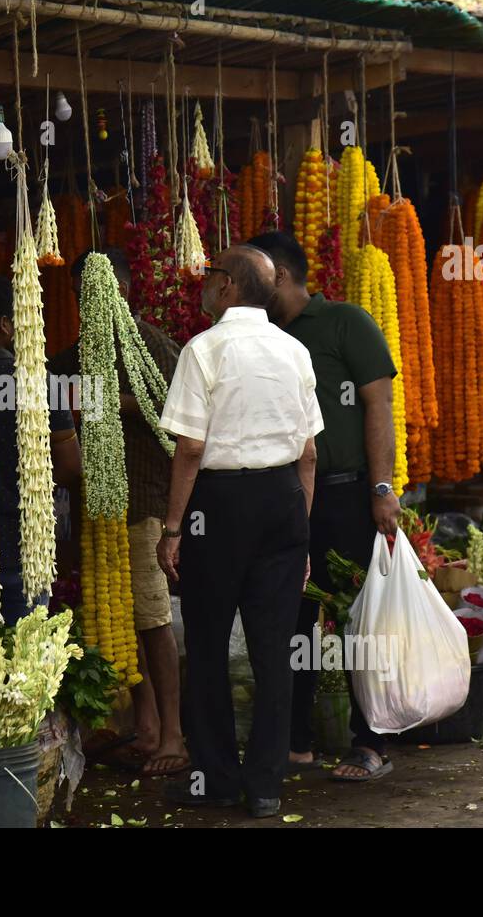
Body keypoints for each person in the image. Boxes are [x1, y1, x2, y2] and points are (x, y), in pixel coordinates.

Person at [156, 245, 322, 818]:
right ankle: (268, 787)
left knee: (205, 646)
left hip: (219, 506)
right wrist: (300, 527)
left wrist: (174, 527)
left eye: (209, 274)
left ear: (227, 285)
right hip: (281, 501)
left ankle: (218, 781)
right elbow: (308, 454)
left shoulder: (204, 350)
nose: (204, 283)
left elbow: (191, 448)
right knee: (274, 650)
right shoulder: (294, 350)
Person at [246, 231, 400, 784]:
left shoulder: (345, 323)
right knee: (291, 619)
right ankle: (296, 743)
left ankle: (371, 741)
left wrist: (382, 488)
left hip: (345, 493)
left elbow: (379, 404)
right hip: (284, 495)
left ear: (279, 276)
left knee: (358, 619)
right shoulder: (257, 333)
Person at [49, 249, 188, 778]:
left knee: (152, 618)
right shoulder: (76, 353)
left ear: (122, 291)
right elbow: (52, 390)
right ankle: (146, 726)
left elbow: (178, 413)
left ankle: (173, 734)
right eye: (80, 297)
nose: (88, 305)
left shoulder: (151, 346)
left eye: (96, 293)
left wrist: (106, 402)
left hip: (144, 502)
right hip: (97, 504)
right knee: (121, 619)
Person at [0, 274, 82, 625]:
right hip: (26, 545)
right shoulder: (39, 383)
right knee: (25, 663)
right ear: (5, 324)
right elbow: (70, 467)